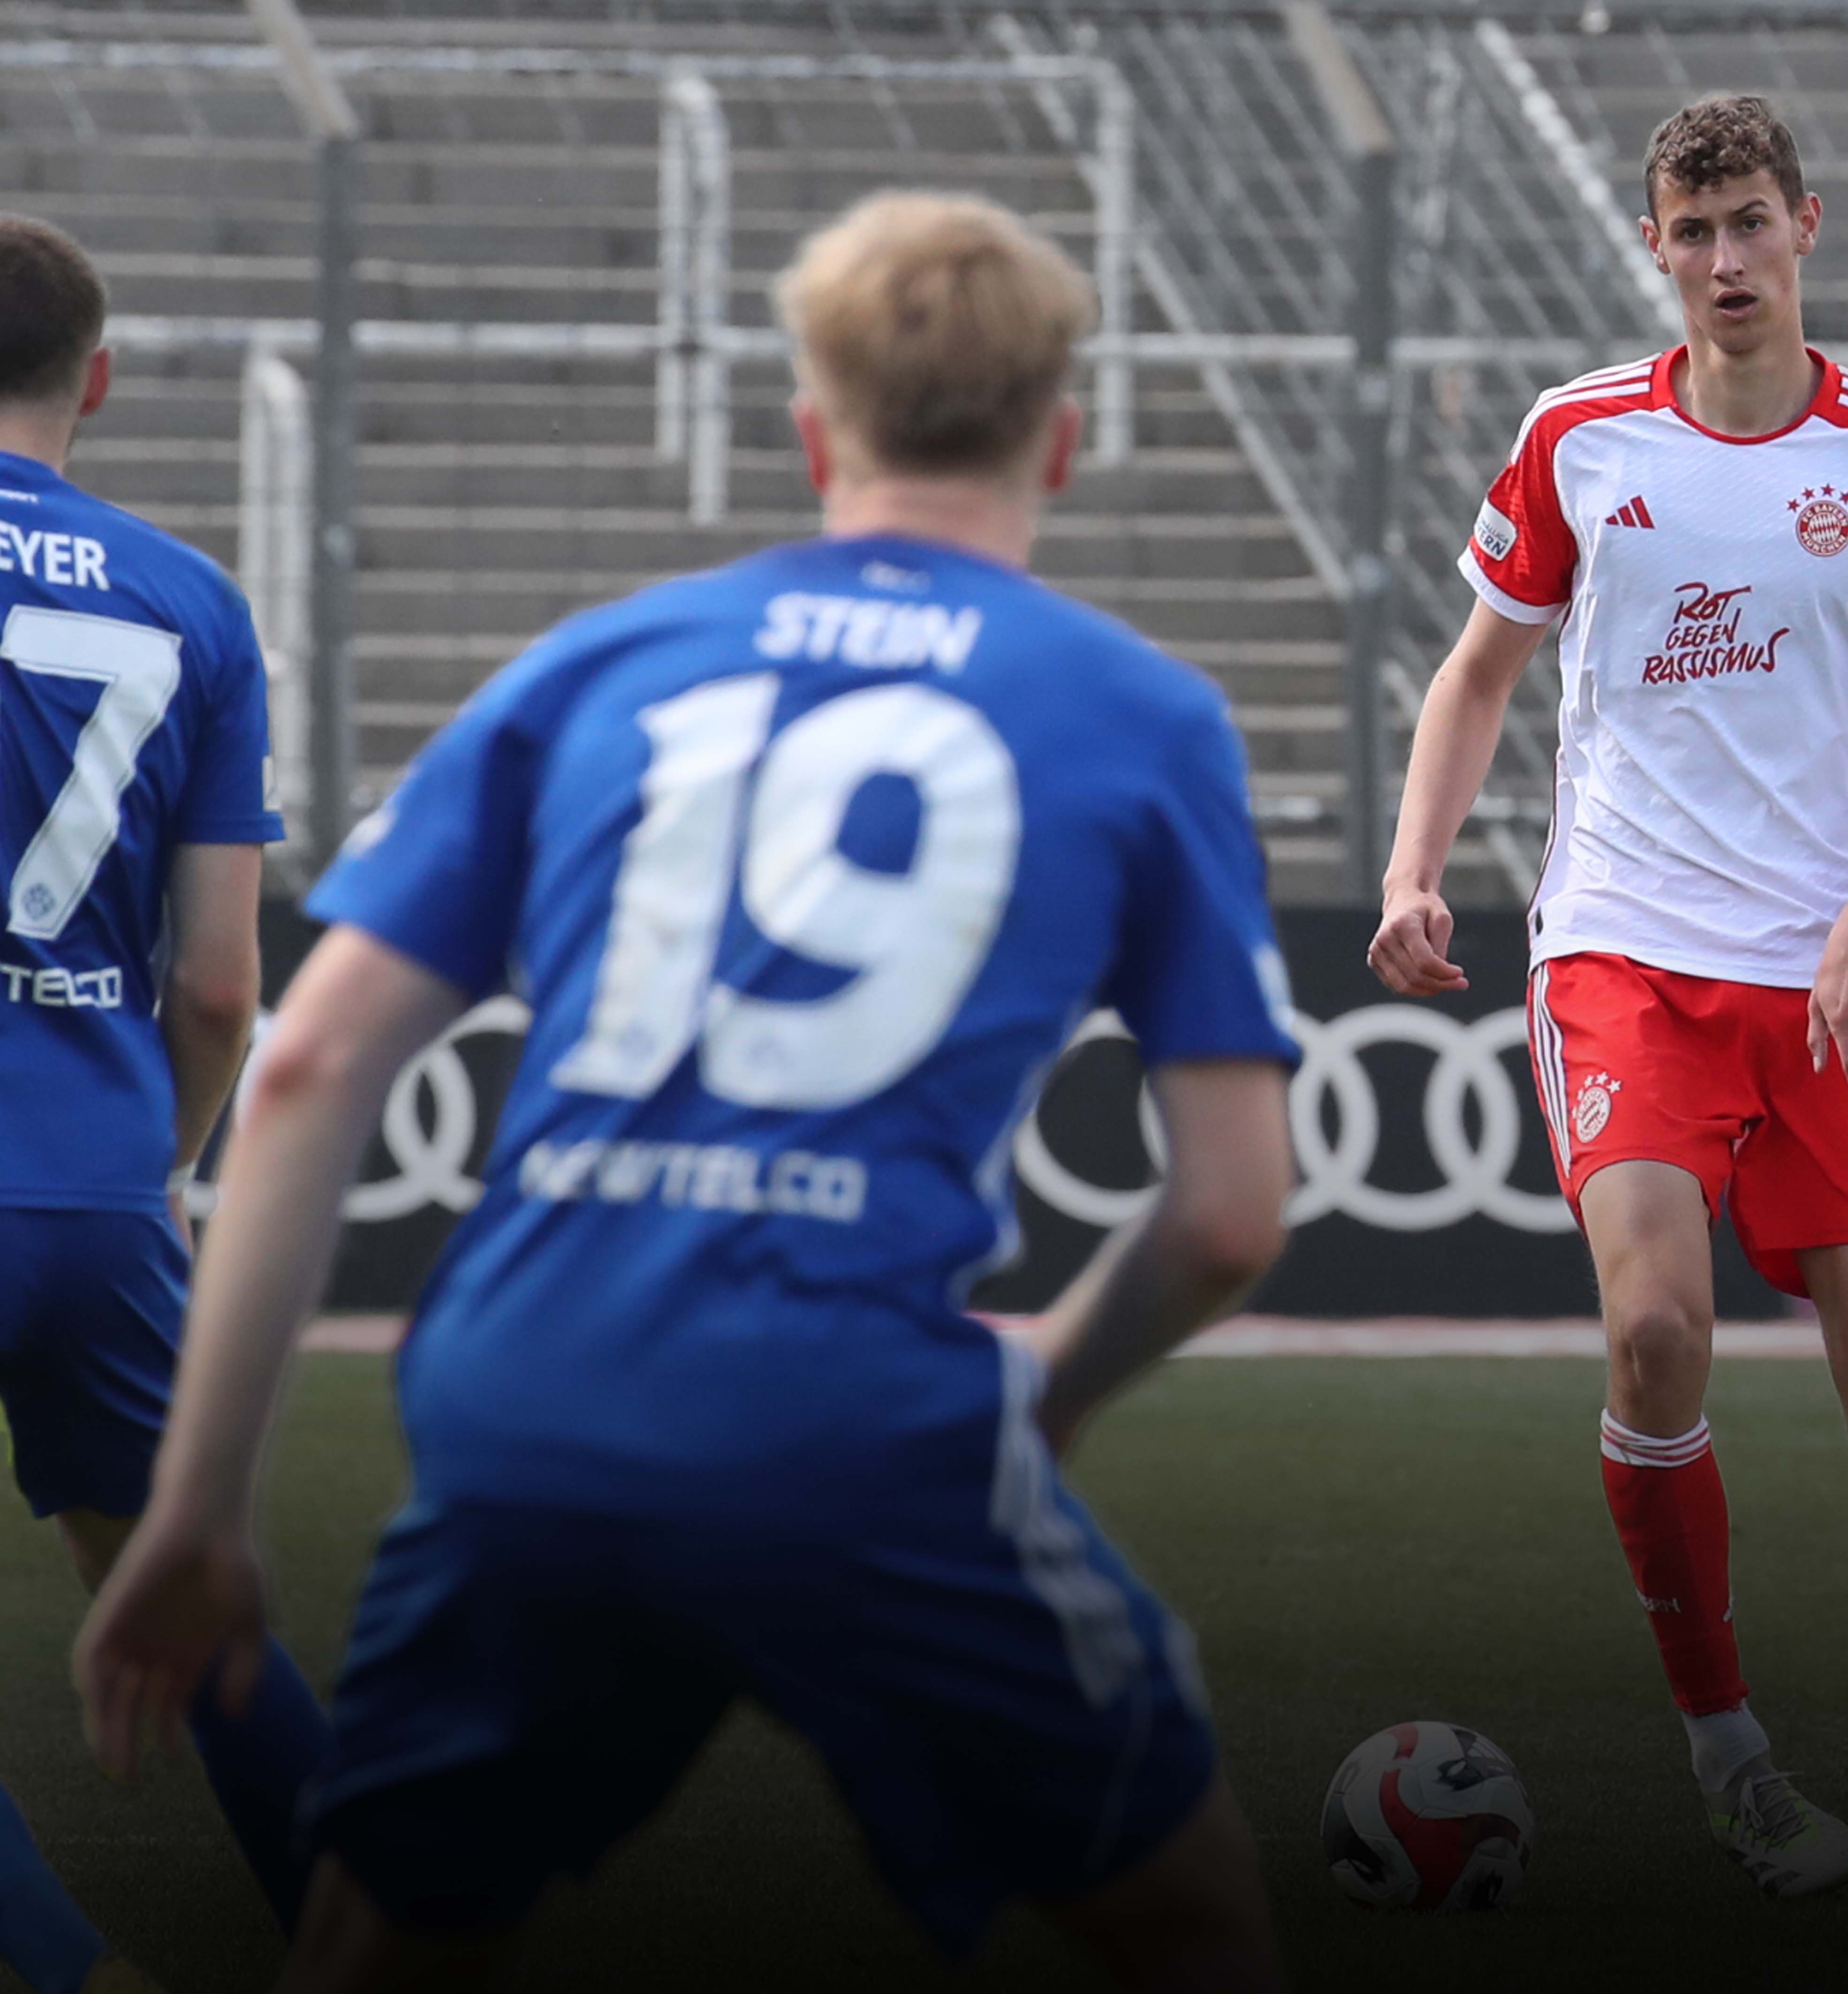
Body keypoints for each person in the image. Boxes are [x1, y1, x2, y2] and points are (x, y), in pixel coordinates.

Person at [75, 190, 1299, 1990]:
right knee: (1189, 1920)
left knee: (367, 1945)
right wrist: (1042, 1388)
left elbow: (316, 1055)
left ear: (809, 430)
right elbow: (1223, 1212)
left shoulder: (603, 659)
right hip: (858, 1420)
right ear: (1065, 433)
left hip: (527, 1398)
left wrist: (197, 1512)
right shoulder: (1142, 711)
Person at [1368, 93, 1848, 1900]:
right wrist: (1416, 870)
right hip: (1625, 959)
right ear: (1654, 250)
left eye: (1752, 223)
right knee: (1654, 1330)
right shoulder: (1579, 437)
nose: (1726, 260)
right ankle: (1733, 1759)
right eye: (1693, 232)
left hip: (1841, 986)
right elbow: (1477, 670)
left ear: (1805, 226)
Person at [0, 211, 325, 1994]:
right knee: (197, 1613)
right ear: (98, 381)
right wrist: (165, 1166)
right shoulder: (192, 599)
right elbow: (219, 979)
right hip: (96, 1182)